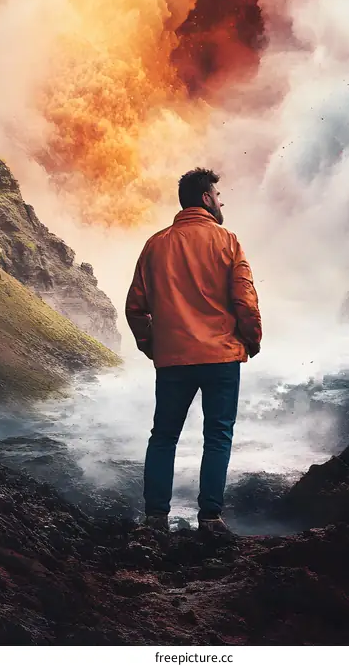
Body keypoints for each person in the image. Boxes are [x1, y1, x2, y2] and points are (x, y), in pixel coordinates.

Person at [125, 167, 262, 535]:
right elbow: (245, 300)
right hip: (221, 358)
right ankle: (211, 518)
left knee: (164, 436)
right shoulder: (227, 241)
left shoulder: (156, 244)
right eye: (218, 196)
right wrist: (252, 340)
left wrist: (154, 345)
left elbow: (135, 308)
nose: (221, 202)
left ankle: (155, 519)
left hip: (173, 361)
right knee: (217, 435)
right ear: (205, 198)